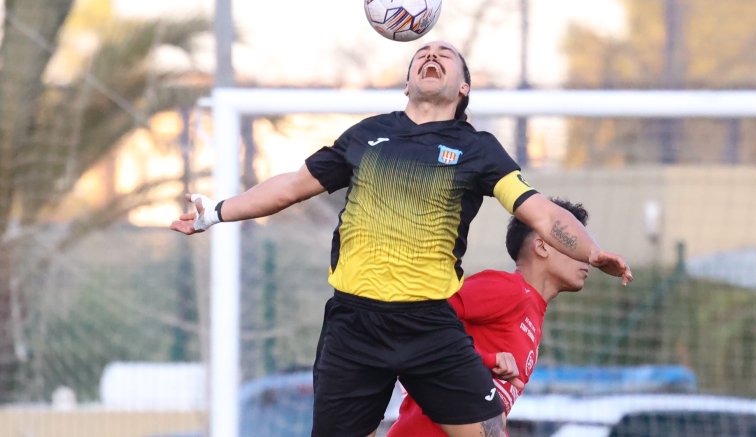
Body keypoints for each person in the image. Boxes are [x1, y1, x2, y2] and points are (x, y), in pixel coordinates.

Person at [170, 41, 632, 437]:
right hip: (354, 323)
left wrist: (590, 250)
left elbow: (538, 209)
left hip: (429, 324)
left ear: (464, 87)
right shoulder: (368, 136)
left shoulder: (478, 150)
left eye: (445, 55)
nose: (432, 55)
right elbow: (291, 186)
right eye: (422, 55)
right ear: (408, 83)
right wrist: (215, 212)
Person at [387, 197, 595, 436]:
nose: (586, 255)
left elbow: (486, 418)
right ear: (542, 246)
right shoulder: (509, 289)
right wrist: (483, 359)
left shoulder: (533, 318)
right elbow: (420, 317)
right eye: (575, 244)